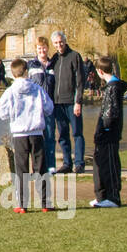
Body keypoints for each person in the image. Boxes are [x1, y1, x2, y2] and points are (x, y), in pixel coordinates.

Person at [0, 58, 54, 213]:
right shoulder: (37, 89)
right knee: (40, 168)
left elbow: (1, 112)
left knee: (21, 169)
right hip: (36, 132)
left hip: (19, 133)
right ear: (26, 71)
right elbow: (49, 107)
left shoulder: (10, 91)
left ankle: (22, 204)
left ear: (13, 74)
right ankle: (45, 203)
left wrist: (12, 114)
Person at [48, 31, 85, 174]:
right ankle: (67, 163)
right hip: (58, 103)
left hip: (72, 102)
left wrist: (78, 101)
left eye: (61, 42)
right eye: (56, 43)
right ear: (53, 44)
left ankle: (79, 163)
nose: (59, 45)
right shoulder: (55, 59)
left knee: (77, 133)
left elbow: (80, 81)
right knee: (63, 135)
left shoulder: (75, 56)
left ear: (65, 40)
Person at [90, 57, 125, 208]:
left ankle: (113, 197)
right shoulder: (111, 87)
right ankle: (102, 196)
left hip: (109, 134)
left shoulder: (113, 87)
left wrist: (104, 129)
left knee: (110, 164)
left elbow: (111, 113)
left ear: (100, 71)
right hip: (104, 134)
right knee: (100, 164)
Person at [25, 37, 57, 175]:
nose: (42, 50)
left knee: (50, 137)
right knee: (35, 139)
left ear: (48, 48)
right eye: (39, 48)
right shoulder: (31, 65)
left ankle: (51, 166)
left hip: (49, 106)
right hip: (35, 108)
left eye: (44, 47)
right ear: (36, 49)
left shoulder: (53, 65)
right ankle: (37, 168)